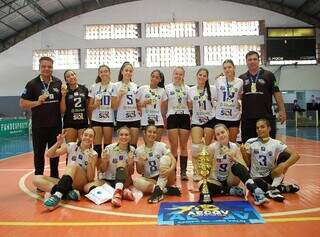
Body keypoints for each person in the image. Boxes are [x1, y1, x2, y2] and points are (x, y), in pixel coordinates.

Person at [193, 123, 268, 206]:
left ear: (227, 132)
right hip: (216, 180)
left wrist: (234, 159)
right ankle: (229, 190)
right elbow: (204, 166)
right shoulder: (212, 148)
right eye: (218, 134)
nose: (221, 135)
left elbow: (245, 167)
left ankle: (256, 191)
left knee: (235, 166)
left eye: (222, 132)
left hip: (231, 179)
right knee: (201, 184)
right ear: (216, 137)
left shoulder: (234, 147)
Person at [32, 128, 98, 210]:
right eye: (86, 135)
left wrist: (90, 161)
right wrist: (58, 143)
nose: (87, 138)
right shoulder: (72, 146)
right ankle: (68, 193)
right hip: (67, 181)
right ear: (81, 136)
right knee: (36, 179)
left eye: (91, 136)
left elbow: (90, 179)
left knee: (73, 165)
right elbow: (49, 154)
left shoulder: (94, 154)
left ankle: (57, 195)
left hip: (80, 183)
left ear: (93, 140)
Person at [20, 56, 62, 178]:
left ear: (52, 68)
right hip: (39, 127)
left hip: (55, 125)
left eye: (49, 66)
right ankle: (39, 178)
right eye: (44, 66)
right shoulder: (32, 84)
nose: (46, 69)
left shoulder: (58, 83)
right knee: (38, 154)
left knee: (55, 154)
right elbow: (22, 103)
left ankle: (55, 178)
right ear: (39, 67)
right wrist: (37, 102)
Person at [241, 118, 300, 202]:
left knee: (285, 155)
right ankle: (279, 188)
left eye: (262, 127)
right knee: (255, 182)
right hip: (256, 178)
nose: (259, 130)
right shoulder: (250, 142)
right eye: (257, 128)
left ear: (269, 128)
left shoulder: (276, 143)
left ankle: (272, 189)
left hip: (272, 175)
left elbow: (296, 155)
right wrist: (243, 153)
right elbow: (248, 163)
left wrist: (284, 165)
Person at [239, 51, 286, 143]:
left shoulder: (269, 75)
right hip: (248, 119)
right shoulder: (241, 78)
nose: (252, 61)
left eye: (254, 59)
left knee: (268, 146)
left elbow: (276, 93)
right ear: (246, 62)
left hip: (265, 117)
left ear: (258, 60)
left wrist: (282, 110)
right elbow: (238, 98)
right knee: (248, 147)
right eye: (250, 60)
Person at [133, 120, 181, 203]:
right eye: (149, 132)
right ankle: (163, 190)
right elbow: (139, 171)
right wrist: (140, 162)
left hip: (166, 176)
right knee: (136, 182)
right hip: (151, 179)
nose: (152, 134)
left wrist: (170, 170)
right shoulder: (138, 150)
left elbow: (173, 159)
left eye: (154, 132)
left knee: (165, 158)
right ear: (144, 133)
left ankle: (158, 191)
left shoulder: (161, 145)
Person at [88, 126, 135, 207]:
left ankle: (117, 196)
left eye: (126, 135)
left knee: (121, 163)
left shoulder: (132, 150)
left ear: (130, 137)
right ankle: (122, 192)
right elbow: (102, 170)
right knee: (87, 187)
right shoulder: (109, 148)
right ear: (118, 136)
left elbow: (131, 172)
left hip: (124, 180)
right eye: (121, 134)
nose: (124, 137)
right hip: (108, 180)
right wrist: (104, 161)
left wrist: (130, 163)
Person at [187, 68, 216, 181]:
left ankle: (206, 169)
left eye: (204, 75)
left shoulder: (212, 89)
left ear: (207, 78)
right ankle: (196, 171)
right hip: (196, 120)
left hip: (210, 119)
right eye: (200, 75)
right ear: (197, 76)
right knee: (195, 147)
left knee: (207, 148)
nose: (202, 77)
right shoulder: (191, 90)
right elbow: (189, 104)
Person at [164, 67, 190, 180]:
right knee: (173, 147)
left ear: (183, 76)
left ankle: (183, 172)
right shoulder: (167, 88)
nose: (178, 76)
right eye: (176, 74)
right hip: (172, 116)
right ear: (173, 74)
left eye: (180, 74)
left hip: (184, 116)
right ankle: (173, 171)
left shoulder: (188, 88)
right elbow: (164, 105)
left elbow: (190, 104)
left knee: (184, 146)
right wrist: (165, 117)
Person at [88, 65, 114, 160]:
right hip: (96, 119)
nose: (104, 73)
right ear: (99, 74)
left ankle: (106, 172)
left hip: (108, 119)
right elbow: (89, 107)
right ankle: (99, 172)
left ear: (109, 73)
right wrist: (95, 105)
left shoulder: (114, 86)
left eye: (106, 71)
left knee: (107, 148)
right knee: (97, 148)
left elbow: (115, 105)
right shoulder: (94, 87)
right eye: (101, 72)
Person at [112, 62, 140, 148]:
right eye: (126, 70)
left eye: (130, 71)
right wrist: (119, 95)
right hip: (122, 119)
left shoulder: (135, 86)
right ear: (122, 72)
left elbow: (138, 103)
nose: (128, 72)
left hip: (134, 118)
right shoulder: (115, 86)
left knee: (133, 146)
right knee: (123, 146)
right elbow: (114, 106)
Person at [215, 59, 243, 142]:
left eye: (229, 67)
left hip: (234, 116)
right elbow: (214, 96)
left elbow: (240, 96)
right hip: (220, 116)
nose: (227, 70)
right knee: (220, 142)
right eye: (225, 68)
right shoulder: (218, 80)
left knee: (232, 143)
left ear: (234, 67)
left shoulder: (240, 82)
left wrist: (239, 103)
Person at [136, 69, 167, 141]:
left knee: (157, 145)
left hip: (158, 121)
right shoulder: (142, 89)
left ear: (160, 80)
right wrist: (143, 104)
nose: (154, 79)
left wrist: (162, 115)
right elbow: (136, 104)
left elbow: (165, 107)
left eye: (157, 77)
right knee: (147, 145)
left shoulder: (162, 90)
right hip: (145, 121)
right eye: (153, 76)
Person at [60, 70, 89, 143]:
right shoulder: (64, 91)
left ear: (75, 75)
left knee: (84, 148)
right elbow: (62, 111)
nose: (71, 77)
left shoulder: (84, 89)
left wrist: (91, 121)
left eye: (72, 75)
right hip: (69, 123)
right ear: (66, 79)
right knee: (70, 149)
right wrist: (63, 96)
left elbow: (88, 107)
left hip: (83, 123)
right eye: (68, 76)